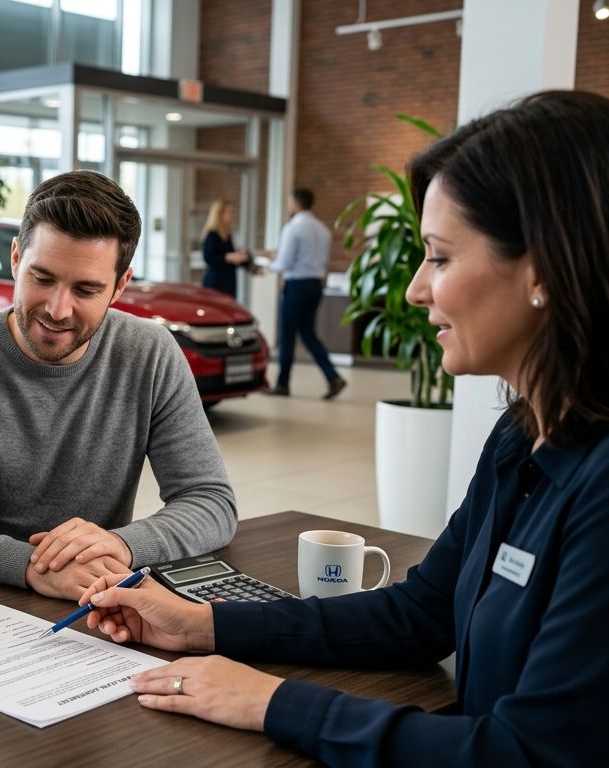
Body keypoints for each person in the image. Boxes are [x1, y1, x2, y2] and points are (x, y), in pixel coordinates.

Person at [78, 90, 609, 766]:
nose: (417, 289)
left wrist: (270, 702)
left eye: (440, 258)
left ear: (543, 270)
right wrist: (204, 624)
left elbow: (526, 755)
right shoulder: (522, 436)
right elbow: (421, 612)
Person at [0, 170, 237, 602]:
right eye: (43, 278)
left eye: (86, 289)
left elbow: (210, 502)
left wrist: (123, 544)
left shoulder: (150, 353)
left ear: (120, 286)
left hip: (94, 596)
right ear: (16, 259)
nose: (57, 309)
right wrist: (31, 567)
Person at [265, 189, 346, 399]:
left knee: (287, 335)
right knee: (309, 334)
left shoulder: (293, 228)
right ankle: (333, 377)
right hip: (315, 285)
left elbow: (285, 263)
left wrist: (269, 264)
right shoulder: (322, 229)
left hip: (297, 285)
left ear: (296, 203)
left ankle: (282, 384)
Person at [199, 199, 250, 298]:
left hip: (228, 281)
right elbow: (208, 257)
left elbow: (228, 255)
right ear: (220, 214)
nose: (232, 215)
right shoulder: (212, 234)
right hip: (216, 282)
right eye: (229, 212)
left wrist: (239, 257)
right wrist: (228, 257)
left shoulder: (227, 234)